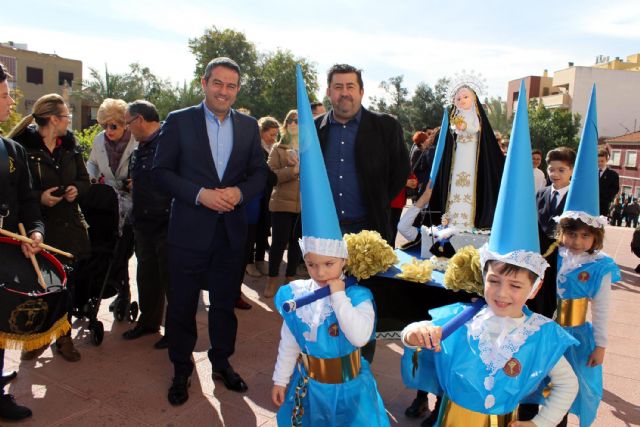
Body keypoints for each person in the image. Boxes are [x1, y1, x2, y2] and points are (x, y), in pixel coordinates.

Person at [401, 88, 579, 426]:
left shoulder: (539, 332)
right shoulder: (461, 318)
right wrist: (414, 333)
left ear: (534, 289)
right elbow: (417, 332)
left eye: (515, 285)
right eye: (494, 280)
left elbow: (567, 384)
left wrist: (540, 423)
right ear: (482, 277)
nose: (501, 292)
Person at [271, 83, 389, 426]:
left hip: (352, 390)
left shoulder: (357, 296)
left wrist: (339, 297)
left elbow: (359, 336)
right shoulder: (296, 295)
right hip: (309, 389)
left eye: (329, 264)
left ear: (343, 262)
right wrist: (281, 378)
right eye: (312, 264)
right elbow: (289, 339)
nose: (320, 272)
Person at [153, 57, 267, 405]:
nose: (224, 91)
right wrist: (200, 195)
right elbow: (160, 172)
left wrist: (240, 193)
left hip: (230, 234)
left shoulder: (248, 127)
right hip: (188, 231)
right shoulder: (179, 121)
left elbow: (260, 174)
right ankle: (181, 368)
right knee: (183, 305)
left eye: (231, 85)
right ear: (204, 84)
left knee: (223, 305)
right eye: (218, 83)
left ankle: (221, 362)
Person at [525, 89, 621, 427]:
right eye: (571, 234)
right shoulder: (553, 255)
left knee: (568, 390)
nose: (577, 241)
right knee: (539, 384)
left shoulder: (600, 267)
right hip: (546, 326)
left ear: (596, 236)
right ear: (561, 232)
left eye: (585, 235)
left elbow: (604, 309)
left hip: (577, 335)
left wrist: (602, 346)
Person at [9, 93, 91, 363]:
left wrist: (75, 189)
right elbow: (16, 193)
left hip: (70, 229)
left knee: (68, 287)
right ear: (54, 119)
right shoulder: (21, 148)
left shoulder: (70, 146)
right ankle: (37, 337)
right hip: (38, 232)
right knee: (41, 287)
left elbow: (84, 179)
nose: (69, 121)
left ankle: (63, 338)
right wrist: (40, 198)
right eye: (66, 116)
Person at [314, 63, 410, 245]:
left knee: (372, 274)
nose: (344, 93)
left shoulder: (386, 126)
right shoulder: (314, 129)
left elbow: (400, 171)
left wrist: (378, 200)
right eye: (338, 87)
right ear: (328, 92)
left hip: (370, 228)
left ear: (361, 91)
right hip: (325, 230)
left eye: (350, 86)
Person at [0, 62, 42, 421]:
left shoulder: (12, 150)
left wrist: (36, 232)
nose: (10, 102)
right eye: (3, 95)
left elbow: (28, 201)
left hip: (6, 251)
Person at [120, 100, 171, 349]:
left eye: (128, 123)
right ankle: (148, 322)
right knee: (146, 276)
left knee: (172, 281)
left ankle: (174, 331)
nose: (127, 129)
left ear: (139, 119)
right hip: (144, 223)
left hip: (166, 223)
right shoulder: (140, 148)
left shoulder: (168, 143)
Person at [419, 85, 504, 231]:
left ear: (473, 99)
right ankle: (453, 220)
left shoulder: (474, 115)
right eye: (458, 98)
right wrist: (456, 127)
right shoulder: (455, 116)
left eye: (465, 97)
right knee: (455, 183)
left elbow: (476, 129)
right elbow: (451, 134)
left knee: (470, 183)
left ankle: (469, 221)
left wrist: (464, 127)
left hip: (471, 156)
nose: (462, 100)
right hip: (458, 156)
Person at [86, 98, 138, 312]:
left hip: (130, 203)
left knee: (122, 248)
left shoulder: (137, 140)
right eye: (104, 125)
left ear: (124, 123)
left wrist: (137, 181)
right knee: (105, 247)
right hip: (107, 202)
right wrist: (90, 178)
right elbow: (92, 162)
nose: (108, 130)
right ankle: (103, 289)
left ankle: (123, 292)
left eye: (113, 125)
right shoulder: (99, 141)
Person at [530, 147, 576, 318]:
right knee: (539, 300)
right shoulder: (541, 194)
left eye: (561, 170)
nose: (555, 174)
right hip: (541, 258)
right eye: (551, 169)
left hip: (565, 259)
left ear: (572, 170)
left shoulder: (576, 197)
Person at [264, 110, 302, 298]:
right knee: (278, 244)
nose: (294, 124)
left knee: (297, 244)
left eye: (298, 121)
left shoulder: (310, 149)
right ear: (285, 125)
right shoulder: (278, 149)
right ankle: (272, 281)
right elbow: (271, 177)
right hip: (281, 204)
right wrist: (292, 170)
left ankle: (291, 279)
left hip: (303, 207)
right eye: (290, 121)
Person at [244, 116, 279, 278]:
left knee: (264, 229)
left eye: (276, 135)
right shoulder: (254, 149)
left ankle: (260, 260)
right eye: (271, 135)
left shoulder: (274, 149)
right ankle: (248, 262)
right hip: (254, 196)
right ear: (261, 132)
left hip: (267, 196)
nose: (274, 138)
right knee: (251, 231)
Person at [597, 148, 619, 216]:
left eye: (602, 161)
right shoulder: (591, 173)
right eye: (598, 161)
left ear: (607, 160)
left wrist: (606, 199)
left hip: (603, 206)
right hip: (589, 205)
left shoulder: (613, 175)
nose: (600, 163)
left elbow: (615, 189)